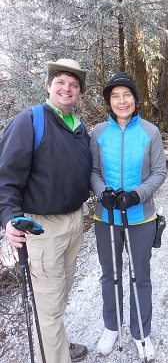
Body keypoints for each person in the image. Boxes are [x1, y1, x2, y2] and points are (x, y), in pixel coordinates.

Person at [0, 58, 93, 363]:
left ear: (79, 93)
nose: (67, 88)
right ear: (48, 87)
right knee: (50, 304)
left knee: (59, 296)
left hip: (74, 222)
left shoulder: (79, 129)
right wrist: (9, 219)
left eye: (74, 84)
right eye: (61, 82)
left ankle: (54, 346)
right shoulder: (30, 121)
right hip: (42, 229)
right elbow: (6, 177)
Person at [90, 72, 166, 361]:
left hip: (141, 218)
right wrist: (102, 192)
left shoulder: (150, 132)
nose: (122, 101)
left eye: (127, 95)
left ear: (135, 98)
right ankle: (112, 326)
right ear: (109, 102)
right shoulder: (98, 133)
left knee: (140, 276)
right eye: (115, 96)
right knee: (110, 274)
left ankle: (140, 332)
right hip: (106, 218)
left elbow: (159, 172)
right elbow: (94, 172)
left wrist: (137, 194)